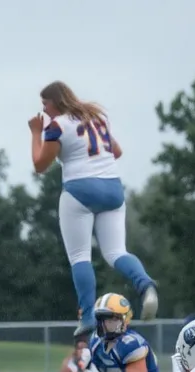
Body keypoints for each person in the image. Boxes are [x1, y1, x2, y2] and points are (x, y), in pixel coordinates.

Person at [29, 81, 158, 336]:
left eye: (45, 104)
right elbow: (116, 152)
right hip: (113, 189)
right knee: (116, 252)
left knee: (80, 256)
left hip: (80, 190)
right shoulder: (97, 116)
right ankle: (145, 285)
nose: (43, 110)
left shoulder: (56, 126)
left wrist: (36, 132)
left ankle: (87, 315)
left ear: (56, 101)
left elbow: (40, 165)